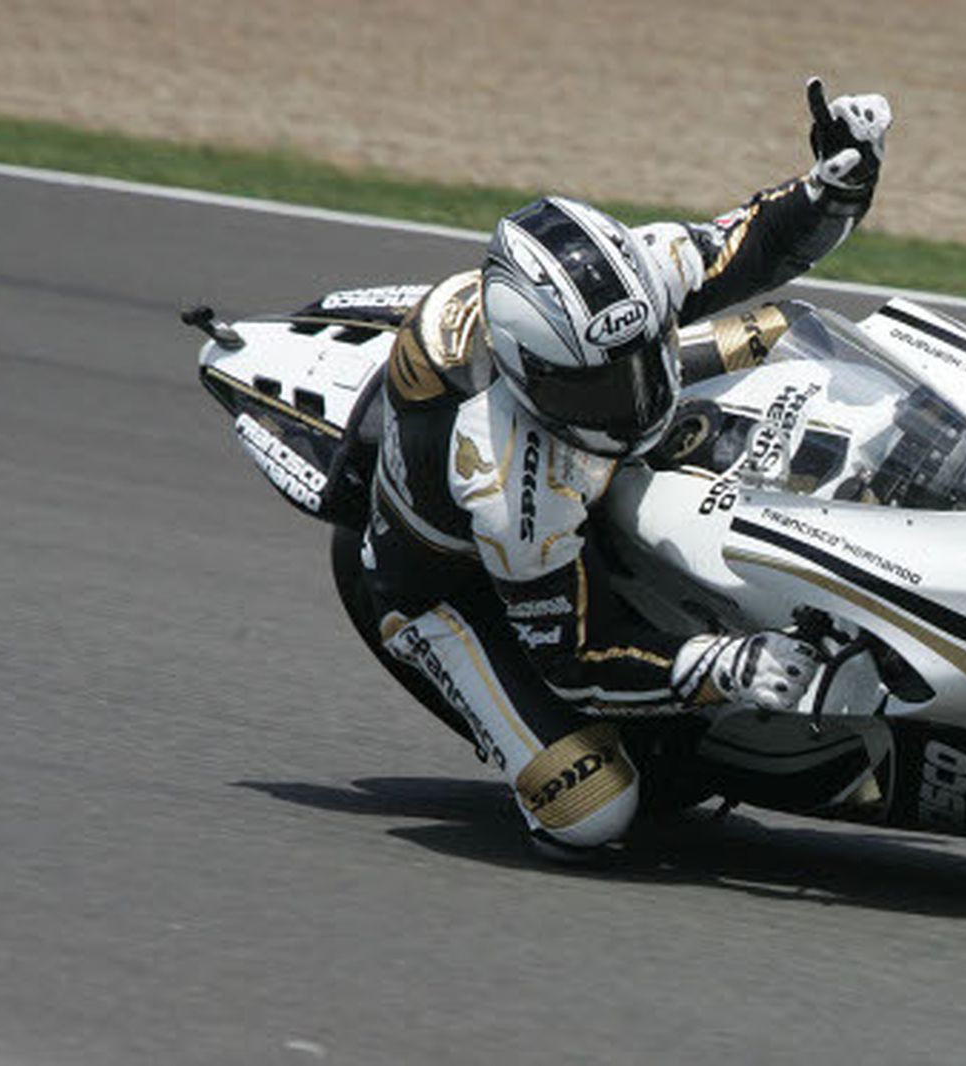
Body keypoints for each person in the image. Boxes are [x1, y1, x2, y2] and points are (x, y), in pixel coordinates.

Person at [354, 78, 892, 853]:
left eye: (639, 364)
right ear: (529, 376)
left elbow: (756, 244)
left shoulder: (638, 273)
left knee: (780, 333)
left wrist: (833, 186)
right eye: (599, 387)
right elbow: (576, 658)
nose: (632, 400)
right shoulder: (506, 479)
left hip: (555, 453)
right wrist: (720, 665)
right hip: (450, 590)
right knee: (592, 809)